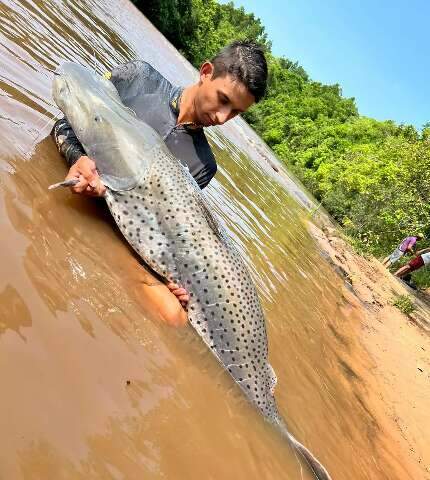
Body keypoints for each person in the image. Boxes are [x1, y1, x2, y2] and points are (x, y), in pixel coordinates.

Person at [52, 40, 268, 327]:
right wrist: (77, 158)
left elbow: (167, 236)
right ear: (205, 72)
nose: (221, 117)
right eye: (223, 99)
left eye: (236, 113)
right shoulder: (140, 79)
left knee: (174, 316)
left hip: (116, 232)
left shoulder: (204, 165)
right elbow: (67, 117)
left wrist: (174, 281)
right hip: (74, 192)